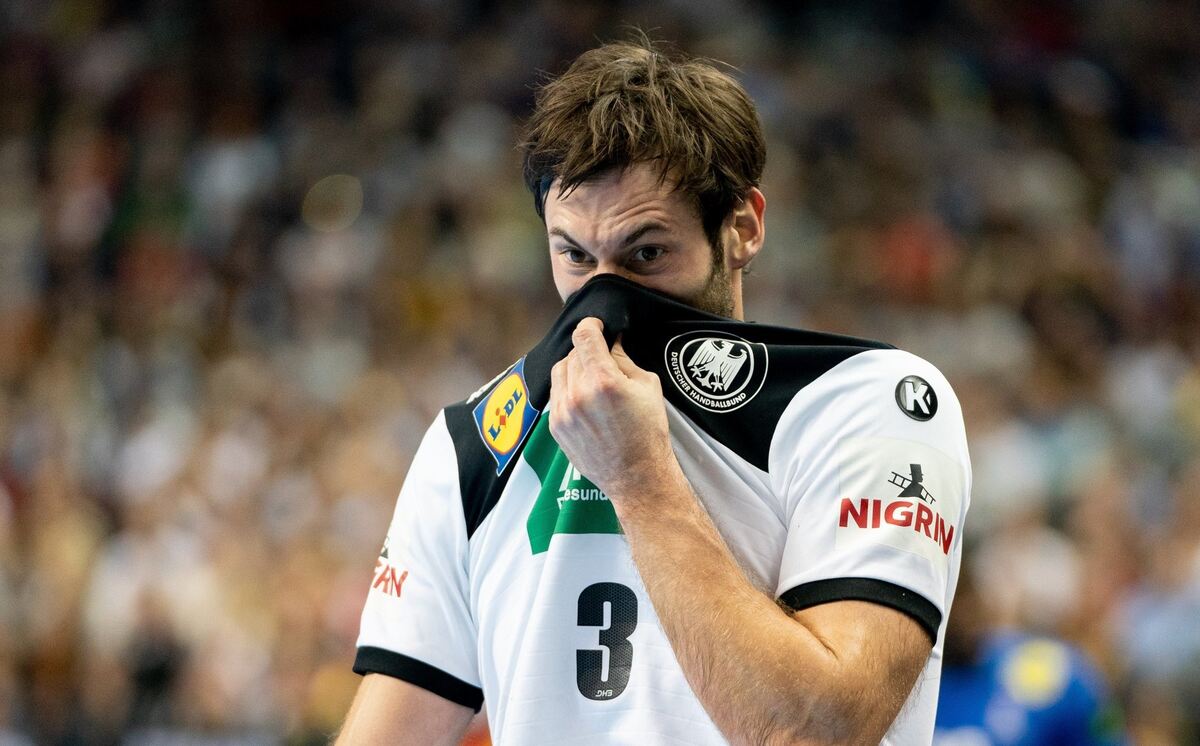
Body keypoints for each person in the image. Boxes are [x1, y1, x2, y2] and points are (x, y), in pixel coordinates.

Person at [336, 36, 971, 745]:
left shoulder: (869, 401)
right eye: (575, 255)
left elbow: (817, 733)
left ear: (743, 228)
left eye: (646, 253)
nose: (604, 300)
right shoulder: (474, 444)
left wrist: (639, 479)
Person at [934, 558, 1126, 746]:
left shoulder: (1053, 670)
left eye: (964, 594)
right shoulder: (922, 688)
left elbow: (1106, 734)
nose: (962, 613)